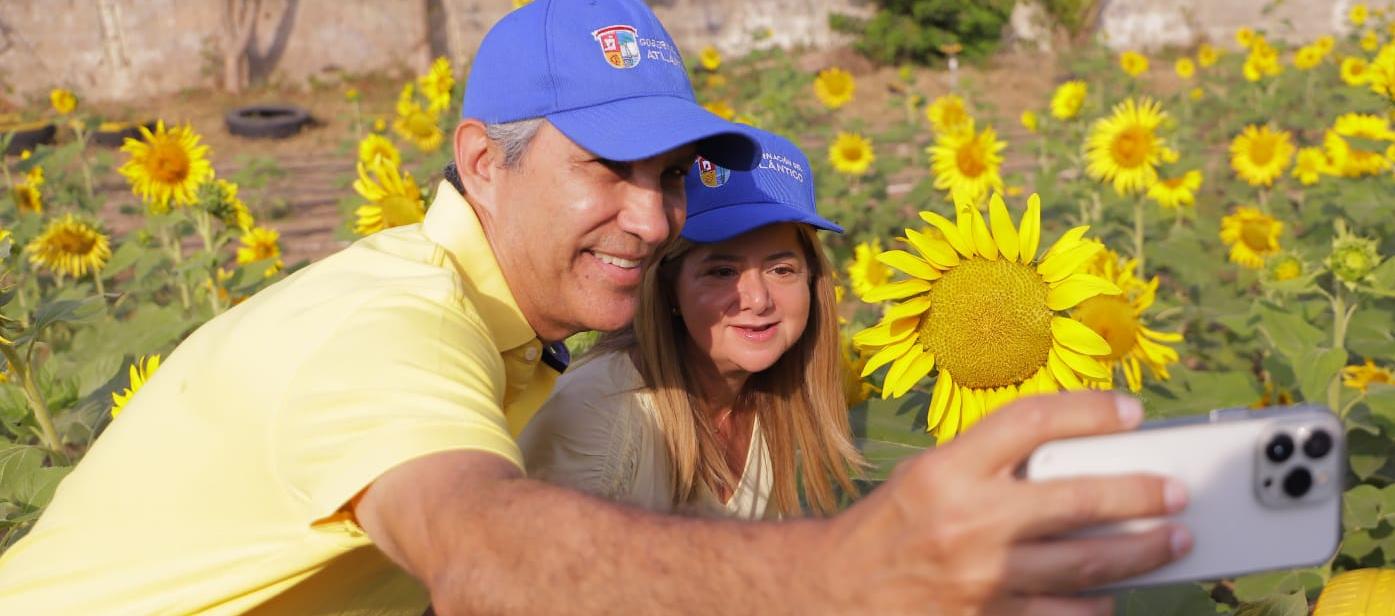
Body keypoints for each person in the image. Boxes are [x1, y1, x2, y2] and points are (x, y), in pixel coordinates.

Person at [0, 1, 1191, 614]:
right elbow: (487, 553)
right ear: (482, 161)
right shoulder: (381, 326)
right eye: (606, 168)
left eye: (667, 177)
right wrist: (844, 574)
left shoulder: (521, 340)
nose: (656, 219)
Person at [520, 129, 865, 520]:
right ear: (668, 289)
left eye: (781, 269)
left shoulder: (791, 399)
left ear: (812, 281)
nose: (757, 299)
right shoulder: (599, 418)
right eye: (722, 271)